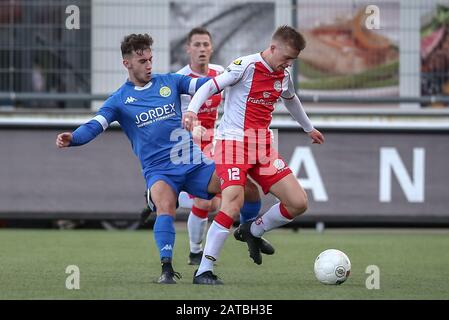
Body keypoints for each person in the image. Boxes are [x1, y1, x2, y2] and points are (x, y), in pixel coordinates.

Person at [55, 33, 258, 285]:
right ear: (126, 63)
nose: (149, 65)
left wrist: (237, 76)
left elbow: (206, 85)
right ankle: (167, 269)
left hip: (194, 163)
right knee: (166, 206)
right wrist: (73, 138)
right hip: (160, 170)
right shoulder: (119, 100)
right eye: (142, 61)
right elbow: (96, 125)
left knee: (245, 187)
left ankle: (250, 230)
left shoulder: (170, 82)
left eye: (151, 60)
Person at [183, 25, 325, 285]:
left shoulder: (284, 73)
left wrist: (309, 128)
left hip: (261, 145)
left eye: (293, 60)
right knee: (233, 200)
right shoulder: (244, 66)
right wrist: (192, 110)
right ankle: (203, 269)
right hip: (232, 144)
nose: (288, 64)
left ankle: (252, 229)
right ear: (272, 48)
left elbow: (291, 99)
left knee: (298, 202)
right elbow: (210, 87)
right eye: (285, 58)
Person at [176, 27, 272, 265]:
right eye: (196, 44)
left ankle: (248, 230)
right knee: (205, 201)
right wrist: (191, 126)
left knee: (248, 190)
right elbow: (177, 116)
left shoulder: (222, 72)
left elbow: (238, 100)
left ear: (211, 48)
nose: (201, 49)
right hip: (191, 146)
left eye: (205, 44)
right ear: (188, 48)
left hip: (220, 141)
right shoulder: (180, 79)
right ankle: (195, 252)